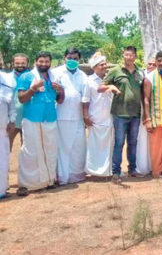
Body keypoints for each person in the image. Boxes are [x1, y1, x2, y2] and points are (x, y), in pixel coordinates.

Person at [16, 51, 64, 196]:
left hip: (49, 117)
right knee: (30, 150)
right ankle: (27, 184)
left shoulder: (54, 77)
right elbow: (22, 99)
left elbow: (60, 99)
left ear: (50, 63)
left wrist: (60, 90)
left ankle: (49, 180)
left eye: (47, 62)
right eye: (41, 61)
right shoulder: (27, 76)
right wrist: (33, 88)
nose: (44, 64)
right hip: (32, 117)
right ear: (36, 61)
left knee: (50, 149)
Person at [101, 46, 144, 183]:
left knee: (133, 142)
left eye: (131, 55)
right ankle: (116, 172)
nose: (129, 58)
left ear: (135, 57)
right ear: (123, 55)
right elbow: (100, 87)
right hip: (120, 113)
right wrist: (111, 87)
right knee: (119, 143)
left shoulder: (140, 72)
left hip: (135, 114)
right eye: (126, 55)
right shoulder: (115, 71)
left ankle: (132, 169)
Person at [52, 47, 88, 185]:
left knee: (78, 146)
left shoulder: (82, 75)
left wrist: (85, 116)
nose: (72, 61)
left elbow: (85, 97)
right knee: (63, 147)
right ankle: (62, 176)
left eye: (75, 59)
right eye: (69, 58)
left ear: (79, 60)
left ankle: (76, 175)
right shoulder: (56, 73)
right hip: (62, 116)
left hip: (77, 117)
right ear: (64, 58)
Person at [82, 53, 115, 177]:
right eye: (101, 64)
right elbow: (85, 100)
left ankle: (107, 170)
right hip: (95, 117)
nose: (104, 66)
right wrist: (85, 116)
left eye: (105, 64)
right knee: (95, 145)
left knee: (108, 145)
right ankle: (93, 170)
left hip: (109, 116)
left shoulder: (110, 79)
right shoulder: (89, 81)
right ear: (95, 67)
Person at [135, 57, 156, 175]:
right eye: (149, 64)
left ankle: (154, 165)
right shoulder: (141, 77)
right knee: (142, 139)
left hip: (155, 111)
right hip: (143, 111)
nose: (151, 66)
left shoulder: (158, 78)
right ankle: (142, 167)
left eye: (154, 64)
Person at [9, 53, 29, 152]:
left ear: (27, 63)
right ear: (13, 63)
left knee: (27, 150)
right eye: (17, 63)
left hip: (29, 119)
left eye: (23, 63)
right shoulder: (6, 79)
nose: (20, 65)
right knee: (5, 148)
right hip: (10, 120)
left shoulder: (33, 78)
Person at [0, 69, 15, 198]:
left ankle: (1, 190)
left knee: (2, 159)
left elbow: (12, 104)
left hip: (2, 128)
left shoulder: (7, 80)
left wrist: (12, 121)